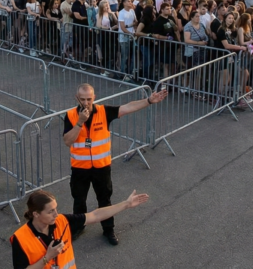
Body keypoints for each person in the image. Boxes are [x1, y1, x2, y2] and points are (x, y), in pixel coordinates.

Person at [61, 83, 167, 245]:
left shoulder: (104, 111)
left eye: (89, 99)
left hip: (101, 168)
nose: (86, 103)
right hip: (79, 169)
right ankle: (78, 227)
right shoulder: (70, 116)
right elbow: (68, 141)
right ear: (77, 98)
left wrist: (149, 101)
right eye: (82, 99)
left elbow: (127, 107)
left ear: (94, 98)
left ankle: (108, 229)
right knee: (79, 200)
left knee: (105, 200)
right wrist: (79, 123)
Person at [10, 189, 150, 269]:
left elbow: (95, 215)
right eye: (50, 211)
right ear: (36, 214)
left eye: (56, 209)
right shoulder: (20, 239)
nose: (56, 214)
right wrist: (47, 258)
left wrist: (126, 204)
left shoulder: (62, 221)